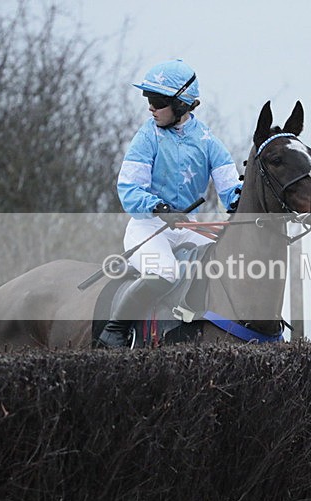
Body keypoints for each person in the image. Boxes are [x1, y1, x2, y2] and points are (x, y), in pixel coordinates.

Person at [98, 59, 242, 348]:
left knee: (223, 266)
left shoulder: (208, 141)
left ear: (182, 105)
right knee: (165, 273)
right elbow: (128, 189)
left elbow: (231, 191)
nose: (150, 107)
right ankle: (114, 330)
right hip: (148, 226)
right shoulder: (146, 137)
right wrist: (159, 208)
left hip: (188, 228)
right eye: (148, 100)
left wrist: (243, 200)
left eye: (157, 101)